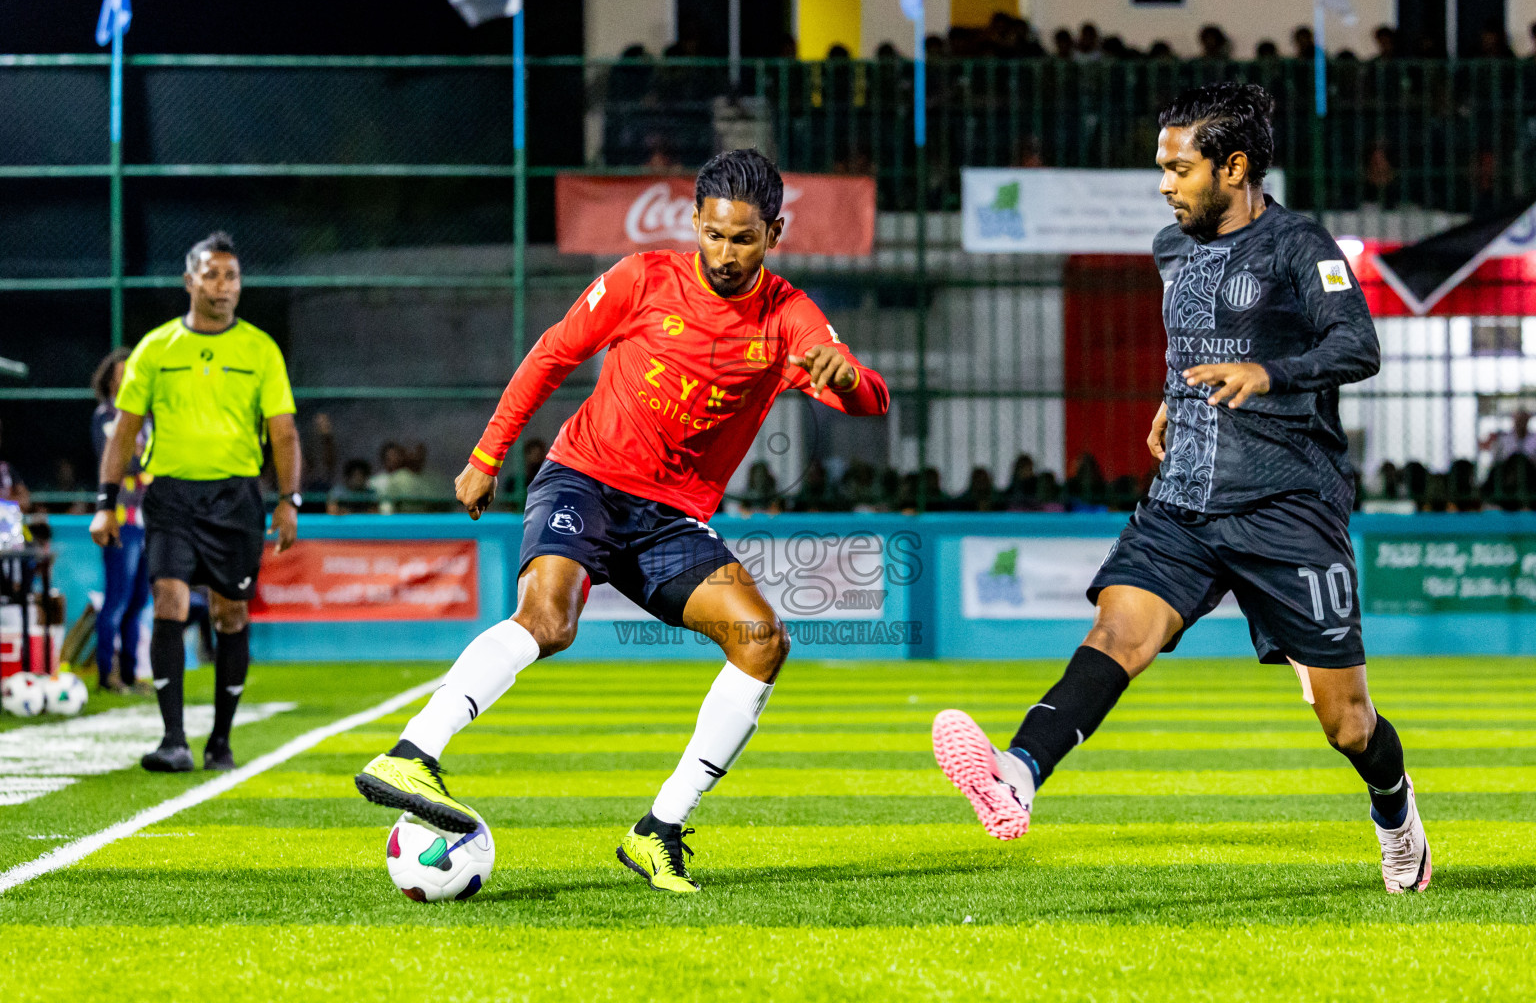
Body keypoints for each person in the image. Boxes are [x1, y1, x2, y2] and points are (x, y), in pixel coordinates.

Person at [932, 83, 1432, 895]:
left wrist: (1268, 373)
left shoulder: (1301, 245)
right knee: (1116, 635)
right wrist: (1175, 396)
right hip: (1184, 501)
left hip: (1287, 507)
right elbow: (1198, 340)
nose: (1164, 184)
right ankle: (1015, 773)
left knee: (1347, 724)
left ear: (1233, 167)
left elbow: (1357, 346)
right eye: (1161, 168)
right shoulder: (1171, 249)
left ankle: (1394, 808)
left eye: (1178, 167)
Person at [354, 149, 890, 893]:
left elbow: (869, 400)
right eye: (713, 234)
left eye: (744, 239)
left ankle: (659, 828)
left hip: (668, 520)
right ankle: (414, 752)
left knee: (761, 641)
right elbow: (551, 355)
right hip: (585, 478)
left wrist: (850, 380)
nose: (726, 254)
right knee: (550, 620)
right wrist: (487, 454)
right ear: (695, 223)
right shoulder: (643, 279)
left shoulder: (787, 316)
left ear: (775, 232)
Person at [91, 232, 300, 773]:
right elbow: (123, 433)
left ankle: (221, 743)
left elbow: (284, 433)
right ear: (190, 281)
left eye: (231, 276)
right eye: (211, 275)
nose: (223, 285)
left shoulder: (260, 349)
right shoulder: (156, 348)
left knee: (230, 614)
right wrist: (104, 503)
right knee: (169, 602)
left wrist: (288, 500)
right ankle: (173, 740)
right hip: (171, 498)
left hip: (236, 499)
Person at [90, 348, 152, 694]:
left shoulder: (148, 417)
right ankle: (105, 674)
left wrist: (141, 459)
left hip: (148, 520)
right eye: (119, 375)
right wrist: (144, 462)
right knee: (116, 596)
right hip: (120, 519)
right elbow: (116, 460)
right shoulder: (105, 416)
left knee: (140, 598)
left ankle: (129, 673)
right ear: (110, 381)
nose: (126, 379)